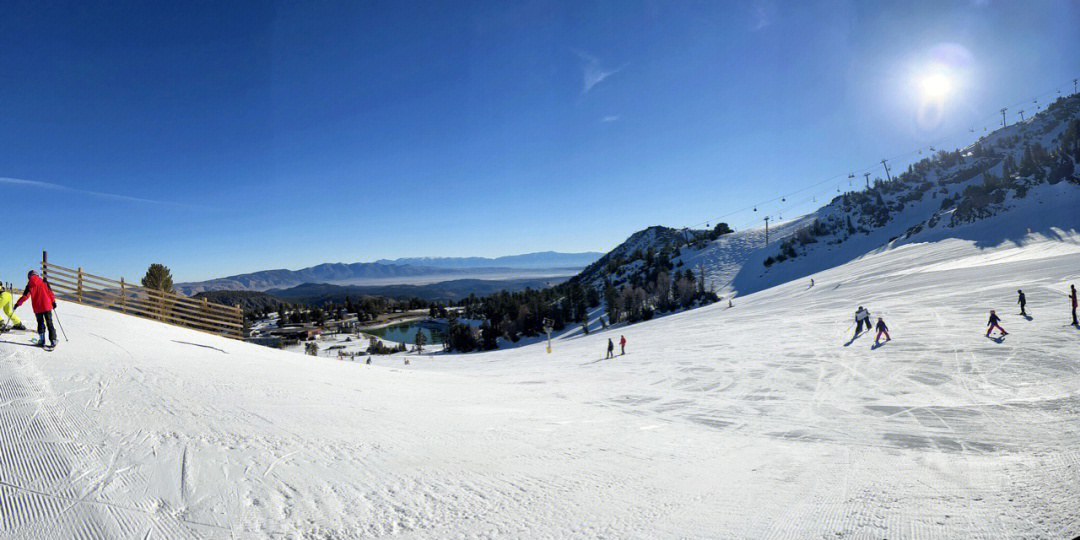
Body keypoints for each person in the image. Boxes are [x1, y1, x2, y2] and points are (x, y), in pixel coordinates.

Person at [14, 270, 57, 349]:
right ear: (37, 275)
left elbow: (25, 297)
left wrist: (17, 304)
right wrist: (53, 302)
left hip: (37, 308)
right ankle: (53, 340)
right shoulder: (44, 281)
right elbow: (50, 293)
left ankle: (41, 339)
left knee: (40, 323)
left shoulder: (29, 285)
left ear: (29, 277)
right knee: (49, 323)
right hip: (47, 306)